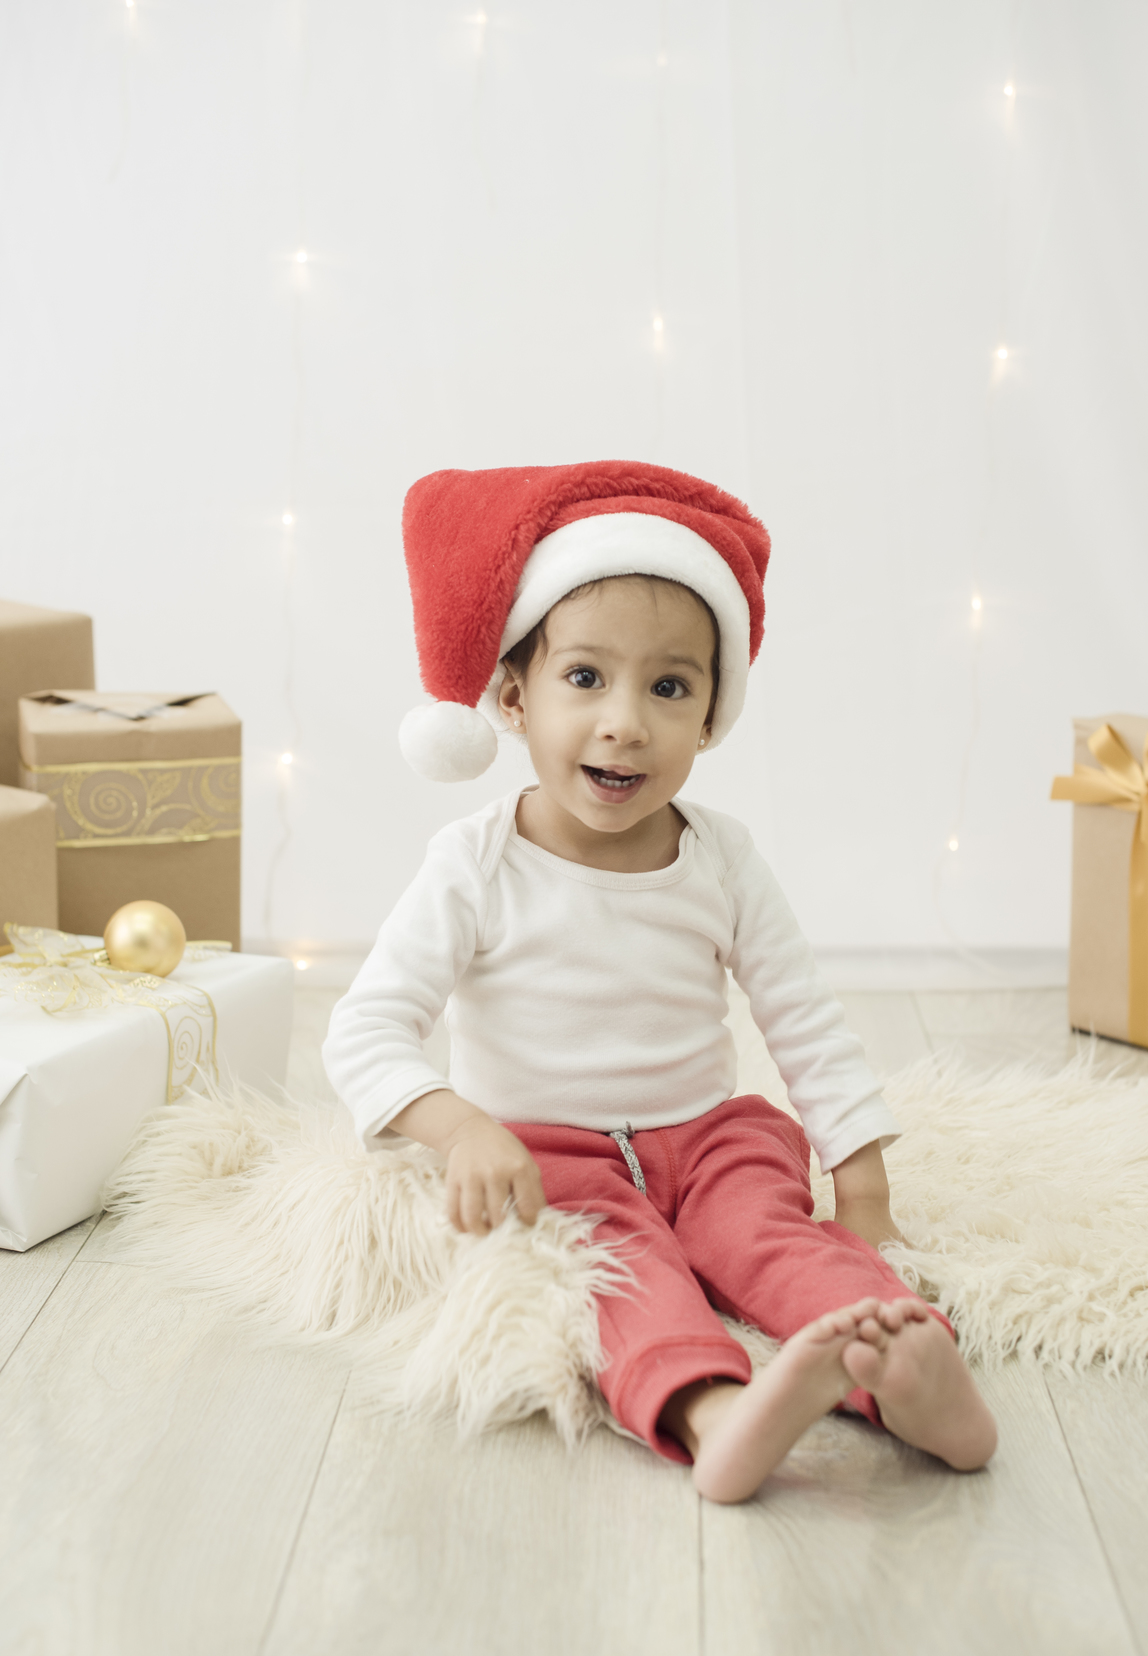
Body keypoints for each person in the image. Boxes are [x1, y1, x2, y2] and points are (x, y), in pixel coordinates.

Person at [324, 460, 997, 1503]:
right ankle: (715, 1410)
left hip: (710, 1135)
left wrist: (863, 1190)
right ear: (511, 698)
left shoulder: (720, 857)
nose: (625, 722)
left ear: (711, 716)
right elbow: (366, 1030)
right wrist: (462, 1129)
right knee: (623, 1276)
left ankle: (904, 1366)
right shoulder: (475, 863)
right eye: (584, 678)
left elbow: (803, 1019)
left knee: (771, 1236)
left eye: (669, 687)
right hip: (551, 1154)